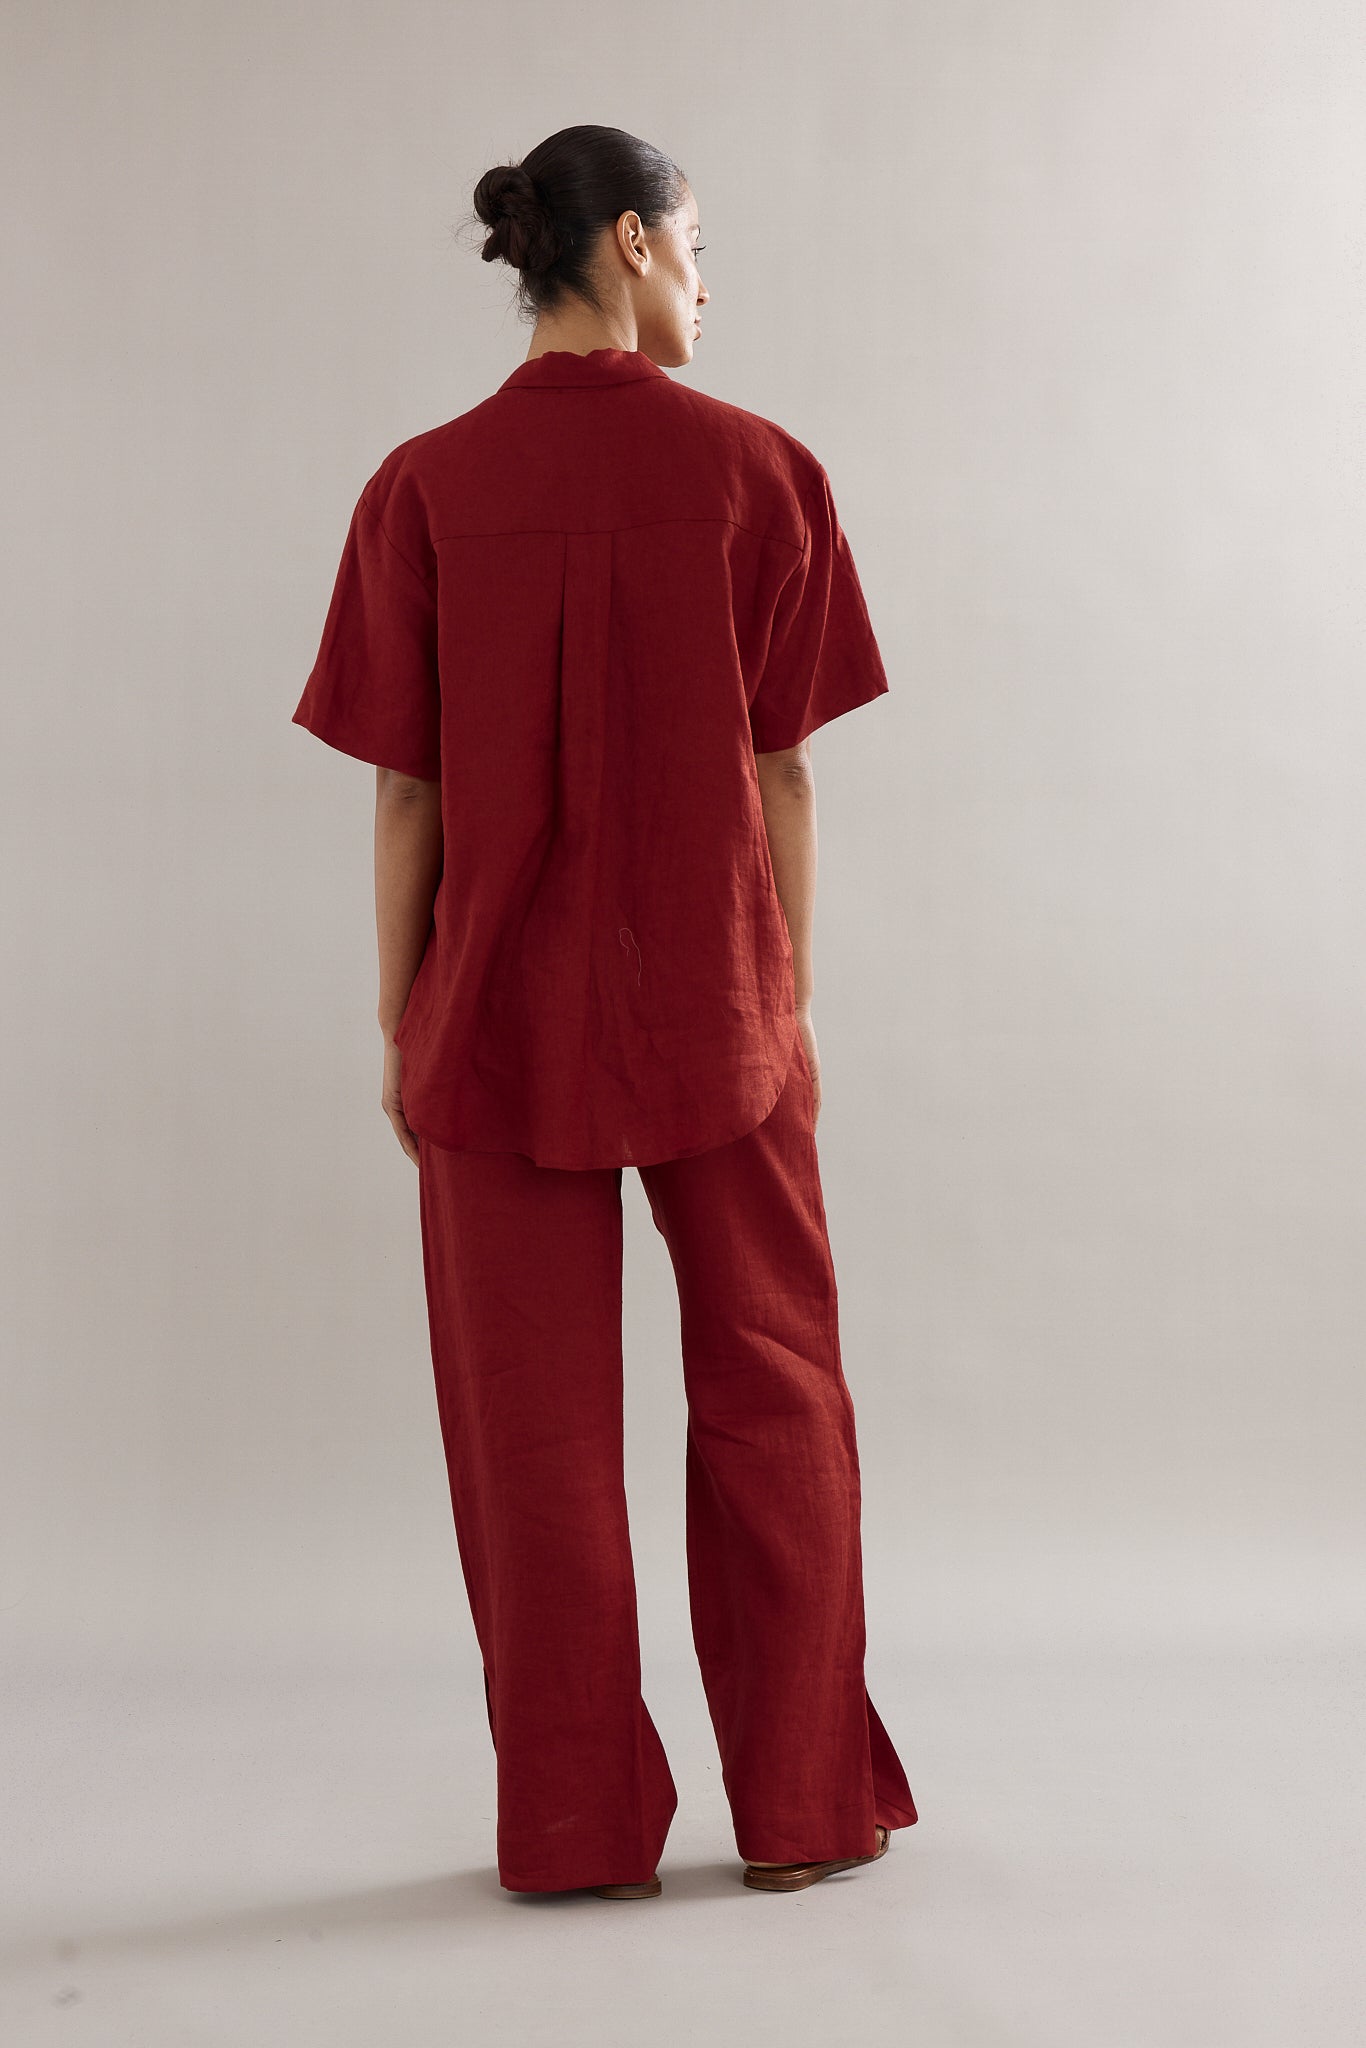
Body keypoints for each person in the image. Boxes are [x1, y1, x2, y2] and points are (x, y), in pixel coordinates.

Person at [291, 123, 918, 1899]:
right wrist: (784, 992)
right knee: (777, 1393)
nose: (708, 285)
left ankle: (572, 1835)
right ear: (631, 242)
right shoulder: (764, 470)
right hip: (722, 1000)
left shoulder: (420, 487)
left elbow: (405, 790)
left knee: (531, 1435)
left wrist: (401, 1018)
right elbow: (780, 769)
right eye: (698, 247)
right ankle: (802, 1813)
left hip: (488, 1017)